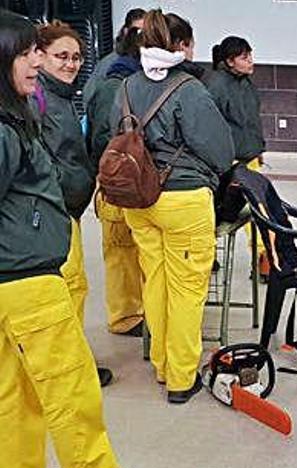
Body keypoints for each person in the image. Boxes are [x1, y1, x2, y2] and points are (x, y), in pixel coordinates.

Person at [0, 12, 158, 468]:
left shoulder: (15, 115)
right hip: (25, 278)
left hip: (14, 277)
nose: (37, 63)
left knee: (16, 394)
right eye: (27, 53)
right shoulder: (5, 129)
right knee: (71, 388)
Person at [110, 9, 234, 404]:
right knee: (185, 290)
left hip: (138, 200)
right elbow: (220, 149)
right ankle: (182, 378)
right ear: (179, 46)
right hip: (182, 199)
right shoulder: (188, 89)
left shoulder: (126, 86)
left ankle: (163, 365)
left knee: (156, 282)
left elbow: (112, 134)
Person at [34, 21, 115, 387]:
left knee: (74, 287)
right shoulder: (39, 100)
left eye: (76, 57)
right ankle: (69, 368)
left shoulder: (61, 97)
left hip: (69, 210)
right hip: (56, 211)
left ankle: (71, 360)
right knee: (68, 289)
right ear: (39, 56)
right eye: (61, 56)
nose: (70, 64)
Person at [87, 18, 146, 339]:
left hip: (129, 182)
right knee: (120, 250)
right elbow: (100, 139)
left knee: (130, 249)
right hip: (115, 183)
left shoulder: (129, 78)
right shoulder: (114, 83)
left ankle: (135, 309)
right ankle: (124, 316)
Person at [206, 35, 268, 278]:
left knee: (259, 210)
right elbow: (211, 127)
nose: (251, 61)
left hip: (248, 156)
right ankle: (207, 255)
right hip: (228, 161)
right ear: (230, 61)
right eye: (245, 57)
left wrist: (258, 149)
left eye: (250, 55)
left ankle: (264, 258)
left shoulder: (246, 83)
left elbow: (251, 121)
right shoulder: (216, 86)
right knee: (217, 210)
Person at [82, 7, 145, 105]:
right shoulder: (110, 62)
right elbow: (88, 95)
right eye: (136, 31)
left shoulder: (149, 61)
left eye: (144, 32)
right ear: (126, 31)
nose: (141, 36)